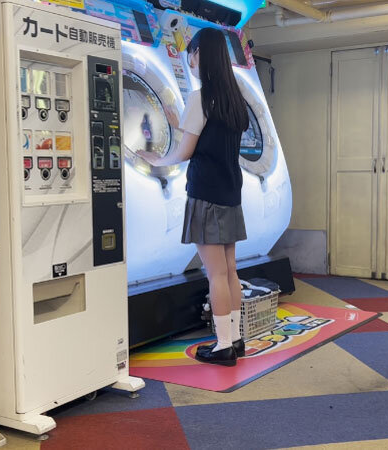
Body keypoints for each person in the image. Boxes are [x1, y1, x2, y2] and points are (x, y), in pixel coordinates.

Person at [137, 27, 249, 367]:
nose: (190, 59)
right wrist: (179, 126)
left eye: (192, 53)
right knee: (229, 270)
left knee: (216, 274)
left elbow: (185, 152)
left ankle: (223, 347)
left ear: (201, 54)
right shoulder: (234, 98)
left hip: (205, 193)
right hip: (230, 192)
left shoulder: (202, 98)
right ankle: (235, 339)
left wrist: (157, 159)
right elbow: (214, 138)